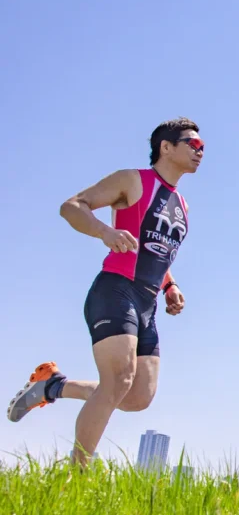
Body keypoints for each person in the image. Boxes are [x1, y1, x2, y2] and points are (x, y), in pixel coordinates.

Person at [6, 118, 204, 467]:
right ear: (167, 147)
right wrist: (103, 232)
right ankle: (76, 478)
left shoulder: (182, 206)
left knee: (137, 396)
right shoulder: (132, 180)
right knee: (118, 379)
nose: (200, 151)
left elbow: (154, 252)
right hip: (116, 290)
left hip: (147, 302)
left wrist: (169, 285)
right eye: (193, 144)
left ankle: (52, 386)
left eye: (202, 147)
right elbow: (72, 206)